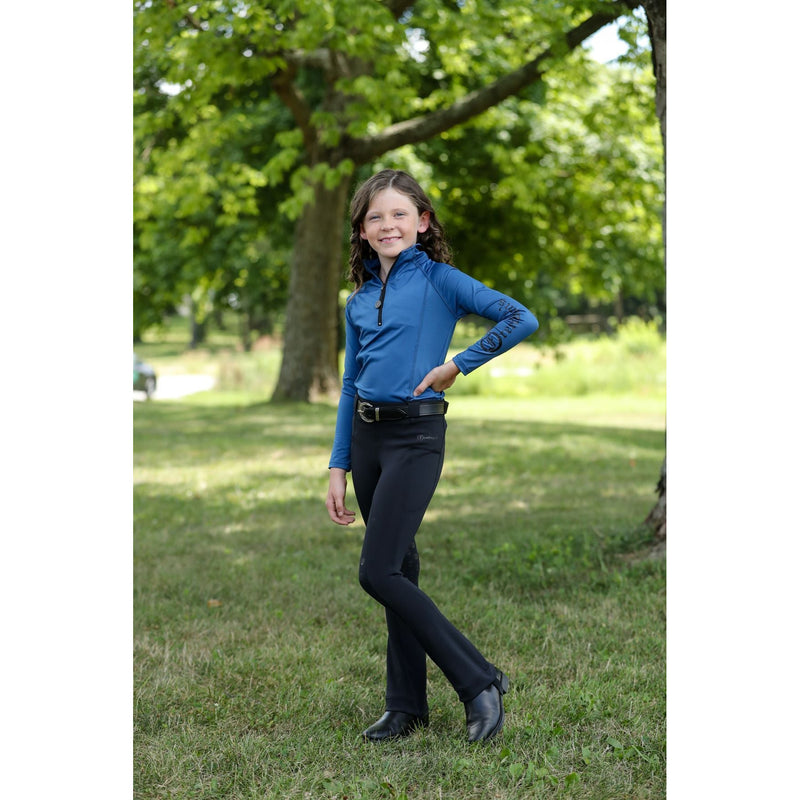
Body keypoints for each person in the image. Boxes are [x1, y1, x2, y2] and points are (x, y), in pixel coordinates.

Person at [325, 168, 538, 743]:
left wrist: (457, 365)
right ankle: (405, 706)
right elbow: (350, 383)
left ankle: (478, 681)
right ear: (363, 232)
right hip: (368, 442)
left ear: (422, 222)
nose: (388, 224)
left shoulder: (442, 281)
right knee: (401, 571)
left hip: (416, 437)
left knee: (378, 571)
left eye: (399, 214)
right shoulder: (358, 300)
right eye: (376, 217)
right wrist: (338, 464)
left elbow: (521, 317)